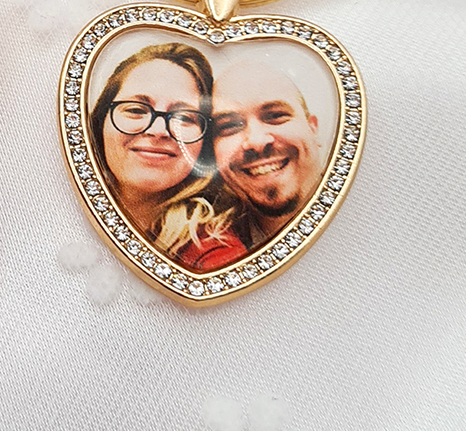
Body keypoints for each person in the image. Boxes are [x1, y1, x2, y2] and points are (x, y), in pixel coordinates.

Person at [89, 42, 246, 270]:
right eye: (135, 110)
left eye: (184, 118)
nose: (158, 130)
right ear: (101, 120)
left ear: (205, 144)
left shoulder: (215, 251)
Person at [210, 60, 326, 247]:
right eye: (230, 126)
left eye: (275, 116)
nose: (256, 142)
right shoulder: (206, 248)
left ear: (313, 128)